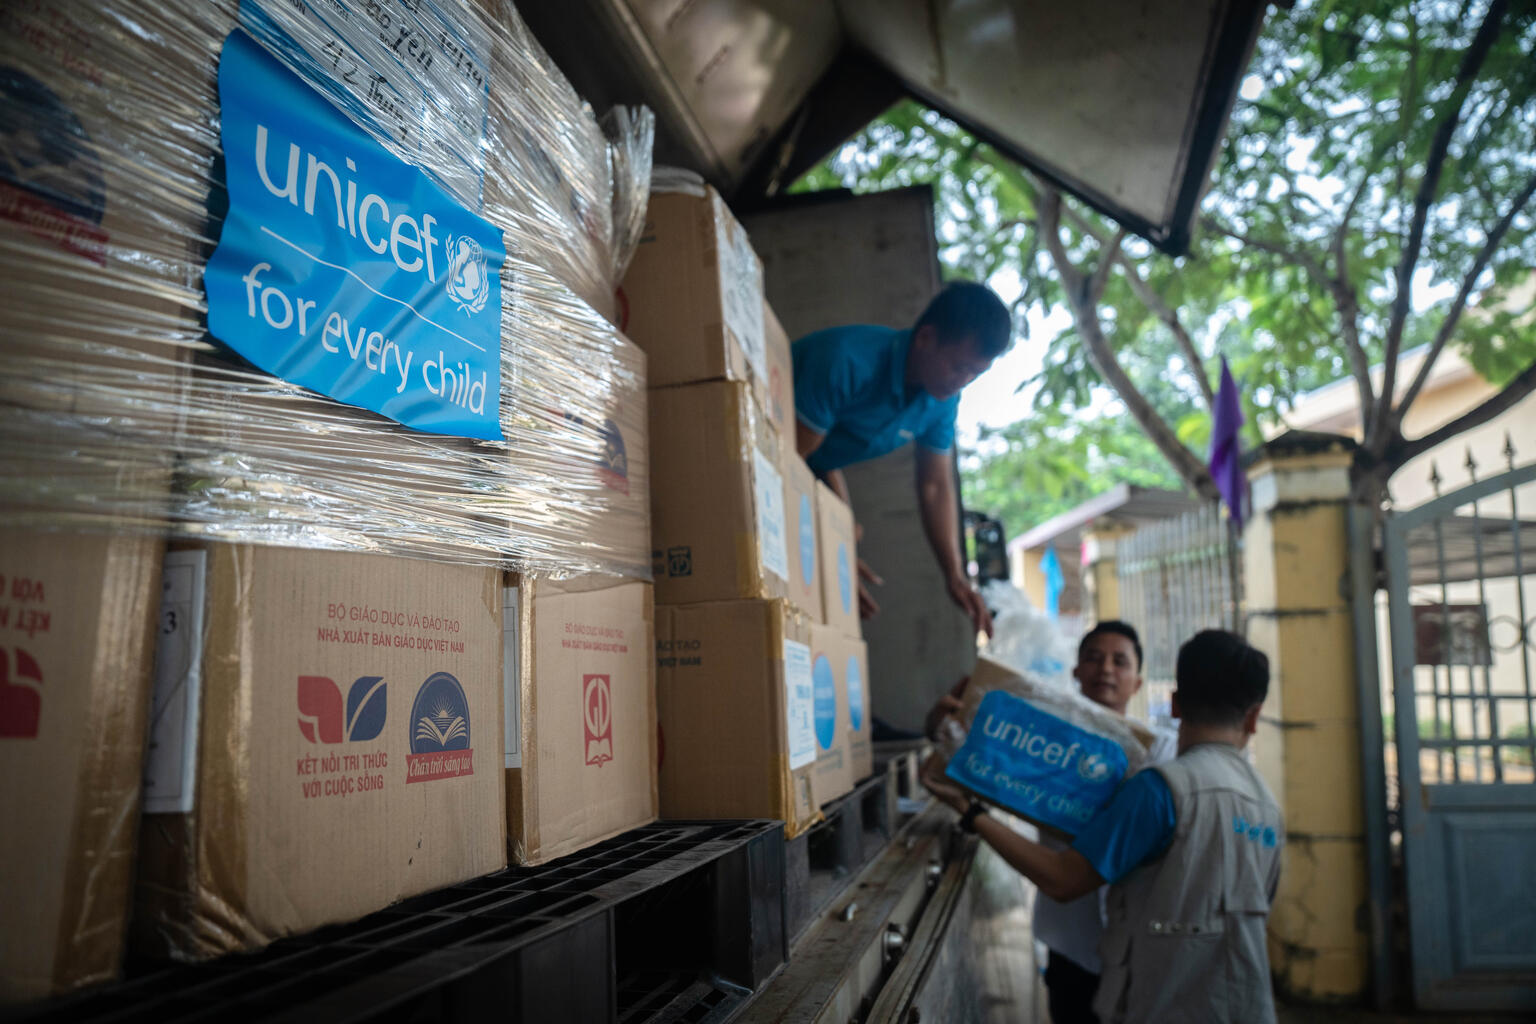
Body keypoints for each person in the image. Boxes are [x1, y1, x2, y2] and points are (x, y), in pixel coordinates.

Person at [924, 630, 1283, 1024]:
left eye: (1120, 661)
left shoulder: (1161, 787)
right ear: (1254, 715)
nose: (1106, 671)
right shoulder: (1266, 804)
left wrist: (970, 813)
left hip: (1158, 996)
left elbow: (1064, 880)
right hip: (1236, 1001)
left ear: (1175, 704)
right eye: (1094, 657)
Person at [793, 281, 1010, 637]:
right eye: (958, 367)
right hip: (762, 446)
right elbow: (787, 458)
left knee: (847, 535)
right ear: (925, 338)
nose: (963, 382)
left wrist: (954, 575)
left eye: (975, 374)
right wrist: (828, 543)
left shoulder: (942, 400)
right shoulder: (847, 361)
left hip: (807, 459)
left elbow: (935, 486)